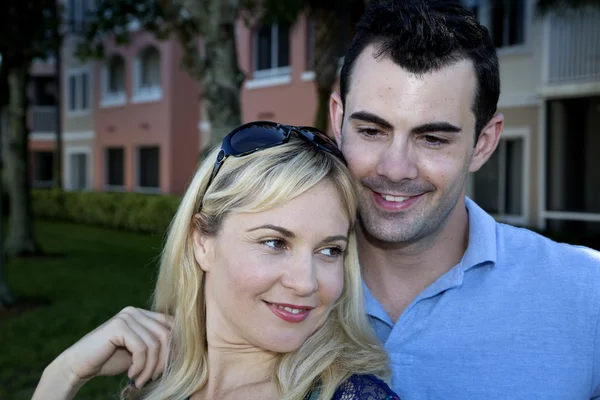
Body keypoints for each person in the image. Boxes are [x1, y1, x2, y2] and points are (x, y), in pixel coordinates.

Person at [329, 0, 600, 398]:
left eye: (433, 138)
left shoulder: (587, 293)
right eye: (372, 131)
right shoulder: (270, 288)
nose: (395, 168)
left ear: (483, 143)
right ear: (338, 121)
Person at [32, 122, 400, 400]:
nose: (305, 283)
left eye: (329, 251)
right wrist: (63, 374)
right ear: (202, 242)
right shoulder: (155, 387)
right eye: (275, 242)